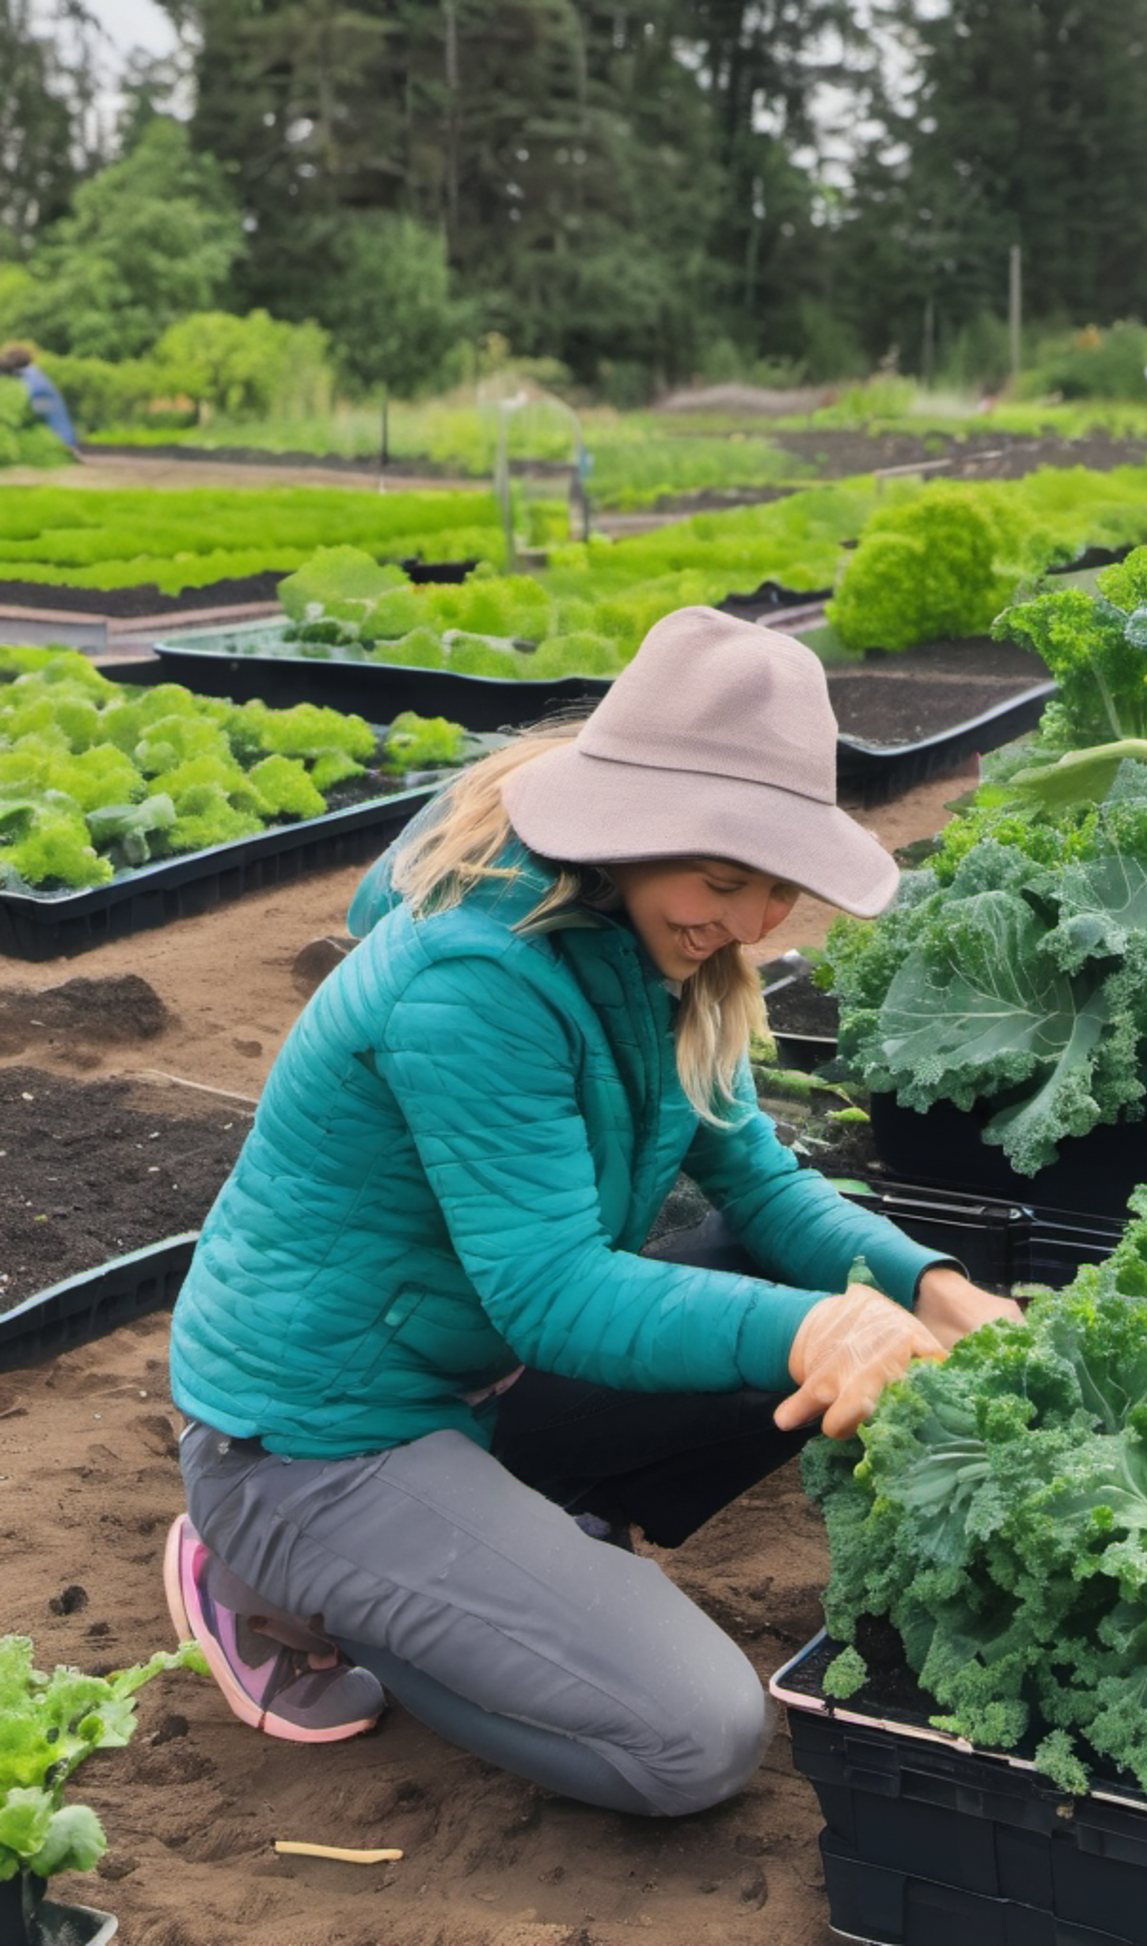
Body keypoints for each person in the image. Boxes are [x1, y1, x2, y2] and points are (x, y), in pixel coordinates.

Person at [163, 605, 1020, 1812]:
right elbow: (555, 1292)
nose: (755, 922)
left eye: (778, 887)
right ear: (627, 833)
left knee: (828, 1282)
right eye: (724, 879)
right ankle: (275, 1582)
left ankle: (489, 1546)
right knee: (694, 1741)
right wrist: (814, 1331)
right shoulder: (477, 978)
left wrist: (929, 1288)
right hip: (318, 1437)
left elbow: (760, 1182)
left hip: (472, 1372)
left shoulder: (657, 948)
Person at [0, 341, 79, 455]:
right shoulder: (34, 374)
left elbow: (22, 405)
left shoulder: (30, 379)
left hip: (57, 442)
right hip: (63, 439)